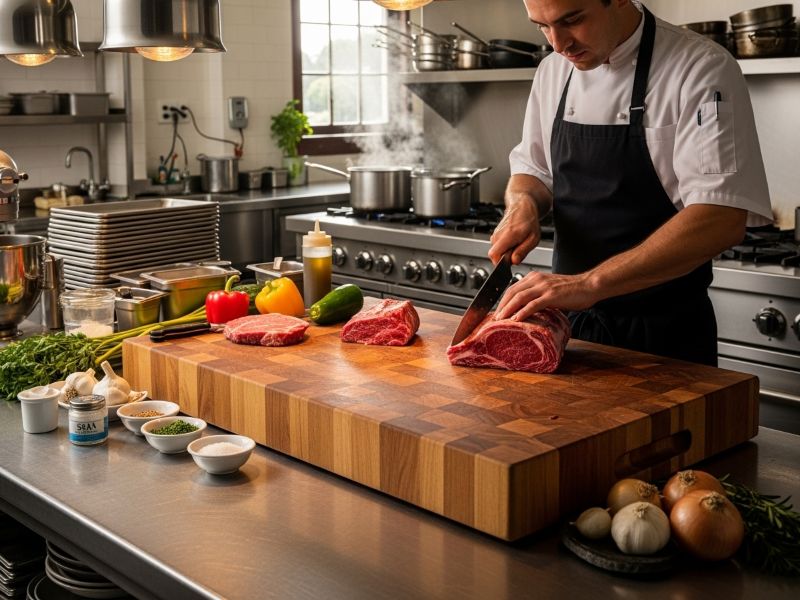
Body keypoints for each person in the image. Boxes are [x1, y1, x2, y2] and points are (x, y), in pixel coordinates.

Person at [489, 0, 773, 366]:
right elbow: (534, 168)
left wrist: (588, 284)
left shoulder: (700, 67)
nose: (558, 44)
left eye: (572, 20)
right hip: (568, 331)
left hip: (665, 339)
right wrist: (523, 205)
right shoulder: (553, 71)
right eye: (542, 27)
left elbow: (720, 218)